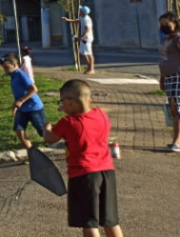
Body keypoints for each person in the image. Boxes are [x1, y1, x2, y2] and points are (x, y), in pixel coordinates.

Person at [42, 80, 122, 237]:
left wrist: (46, 128)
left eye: (62, 102)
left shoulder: (68, 122)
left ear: (70, 102)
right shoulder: (100, 115)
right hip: (107, 172)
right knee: (110, 221)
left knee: (89, 222)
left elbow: (50, 138)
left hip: (83, 175)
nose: (62, 106)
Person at [0, 53, 45, 149]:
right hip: (22, 109)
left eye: (7, 67)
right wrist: (15, 105)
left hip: (34, 107)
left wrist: (21, 101)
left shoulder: (20, 74)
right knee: (19, 130)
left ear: (14, 64)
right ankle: (31, 150)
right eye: (4, 68)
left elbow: (34, 89)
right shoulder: (14, 76)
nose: (5, 70)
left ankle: (60, 141)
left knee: (43, 131)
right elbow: (18, 93)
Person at [158, 11, 180, 152]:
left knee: (177, 109)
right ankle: (175, 140)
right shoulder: (164, 41)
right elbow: (163, 60)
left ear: (175, 24)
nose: (164, 26)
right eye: (162, 24)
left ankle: (177, 142)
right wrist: (162, 78)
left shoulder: (178, 39)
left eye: (167, 23)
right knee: (173, 110)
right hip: (168, 77)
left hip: (178, 76)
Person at [63, 6, 96, 74]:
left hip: (87, 39)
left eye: (80, 10)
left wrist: (81, 37)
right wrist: (67, 20)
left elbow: (87, 29)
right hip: (84, 38)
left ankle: (91, 69)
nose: (79, 11)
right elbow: (77, 21)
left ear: (83, 12)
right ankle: (89, 68)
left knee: (89, 53)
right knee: (83, 53)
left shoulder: (87, 19)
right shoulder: (82, 17)